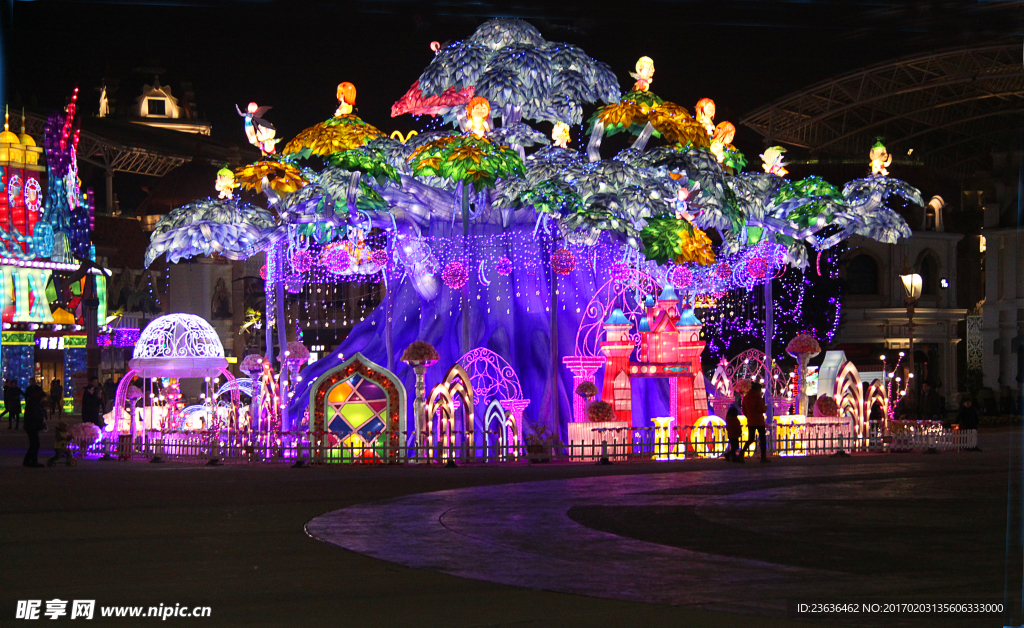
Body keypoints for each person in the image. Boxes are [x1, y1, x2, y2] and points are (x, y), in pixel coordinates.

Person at [740, 382, 770, 463]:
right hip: (759, 421)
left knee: (751, 439)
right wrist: (766, 408)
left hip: (751, 421)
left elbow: (744, 410)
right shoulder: (757, 397)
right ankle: (763, 457)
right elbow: (762, 409)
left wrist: (749, 416)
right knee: (762, 439)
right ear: (757, 389)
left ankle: (741, 453)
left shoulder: (746, 398)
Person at [22, 380, 46, 467]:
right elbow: (35, 416)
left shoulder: (34, 403)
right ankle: (33, 461)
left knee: (34, 444)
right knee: (35, 444)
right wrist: (41, 424)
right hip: (31, 426)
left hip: (30, 426)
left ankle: (28, 460)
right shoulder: (34, 404)